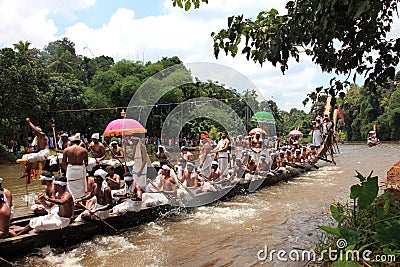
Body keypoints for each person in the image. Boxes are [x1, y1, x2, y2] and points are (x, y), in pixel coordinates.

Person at [62, 133, 88, 200]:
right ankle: (80, 200)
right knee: (81, 186)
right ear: (79, 142)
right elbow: (86, 163)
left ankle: (71, 200)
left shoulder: (66, 150)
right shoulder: (84, 150)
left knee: (70, 185)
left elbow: (63, 164)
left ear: (71, 142)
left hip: (71, 169)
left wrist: (67, 170)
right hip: (80, 169)